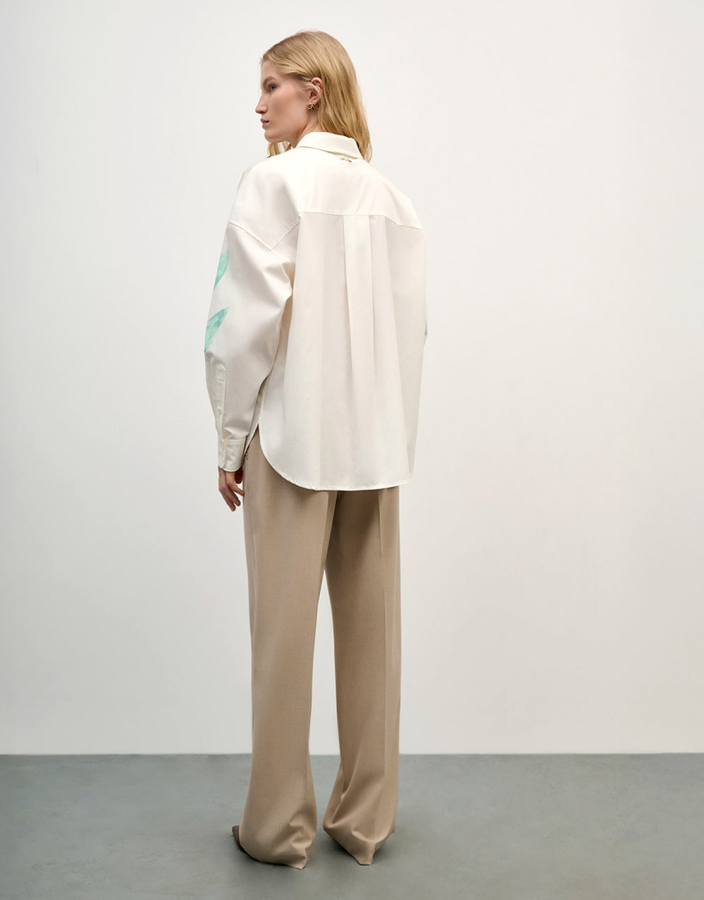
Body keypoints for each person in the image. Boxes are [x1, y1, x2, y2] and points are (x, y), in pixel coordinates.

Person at [203, 30, 427, 869]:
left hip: (293, 441)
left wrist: (230, 438)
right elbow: (412, 333)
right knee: (374, 643)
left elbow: (241, 328)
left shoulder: (271, 183)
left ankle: (276, 831)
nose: (258, 104)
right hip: (376, 447)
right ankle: (365, 824)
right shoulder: (391, 199)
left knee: (281, 642)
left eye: (272, 86)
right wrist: (392, 429)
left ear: (314, 91)